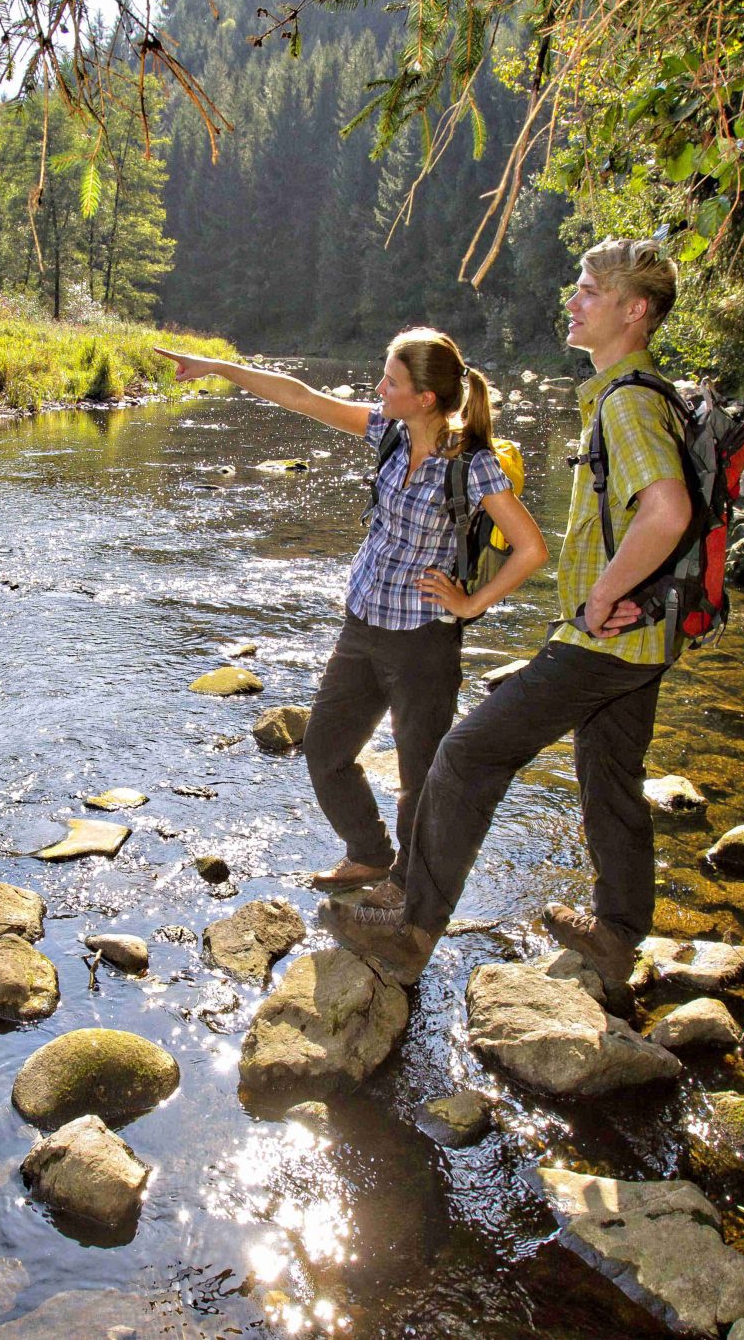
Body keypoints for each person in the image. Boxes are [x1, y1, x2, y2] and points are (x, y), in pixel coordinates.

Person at [322, 239, 695, 986]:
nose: (572, 299)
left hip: (606, 637)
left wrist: (601, 595)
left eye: (589, 291)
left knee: (467, 756)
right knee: (610, 773)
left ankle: (415, 927)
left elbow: (668, 511)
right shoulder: (649, 391)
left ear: (635, 310)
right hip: (653, 632)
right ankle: (619, 932)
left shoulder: (626, 403)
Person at [155, 332, 547, 897]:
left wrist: (469, 603)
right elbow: (301, 397)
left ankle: (411, 891)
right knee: (325, 750)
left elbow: (531, 548)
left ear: (427, 399)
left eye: (391, 381)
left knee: (420, 774)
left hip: (422, 641)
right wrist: (218, 367)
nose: (379, 388)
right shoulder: (388, 433)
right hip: (363, 622)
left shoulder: (473, 465)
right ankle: (369, 853)